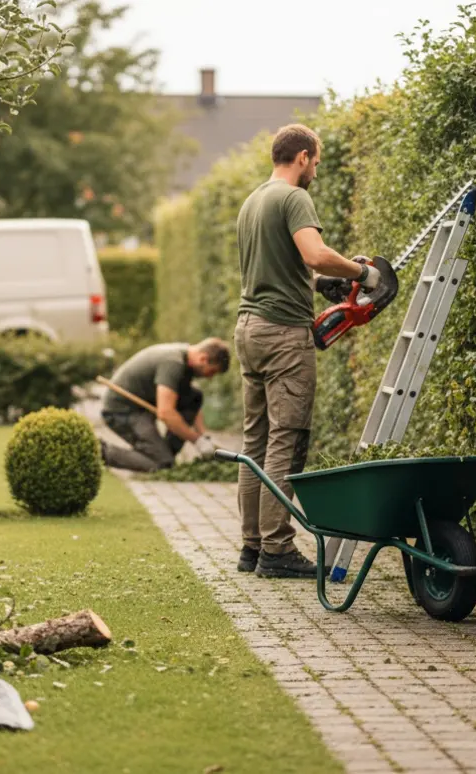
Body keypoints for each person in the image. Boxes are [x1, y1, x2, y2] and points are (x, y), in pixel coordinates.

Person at [233, 123, 381, 579]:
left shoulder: (254, 201)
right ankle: (278, 551)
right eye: (315, 161)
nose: (316, 168)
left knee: (254, 441)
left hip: (249, 328)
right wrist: (360, 273)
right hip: (282, 334)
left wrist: (322, 285)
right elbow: (315, 253)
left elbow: (287, 266)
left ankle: (252, 547)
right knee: (287, 438)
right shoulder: (295, 197)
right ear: (301, 157)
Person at [99, 338, 230, 472]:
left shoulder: (186, 361)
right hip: (122, 411)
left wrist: (204, 436)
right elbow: (166, 413)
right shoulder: (173, 363)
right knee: (162, 464)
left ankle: (161, 454)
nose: (210, 377)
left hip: (141, 409)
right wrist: (196, 440)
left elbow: (191, 403)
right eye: (212, 371)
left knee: (195, 396)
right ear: (203, 359)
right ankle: (98, 450)